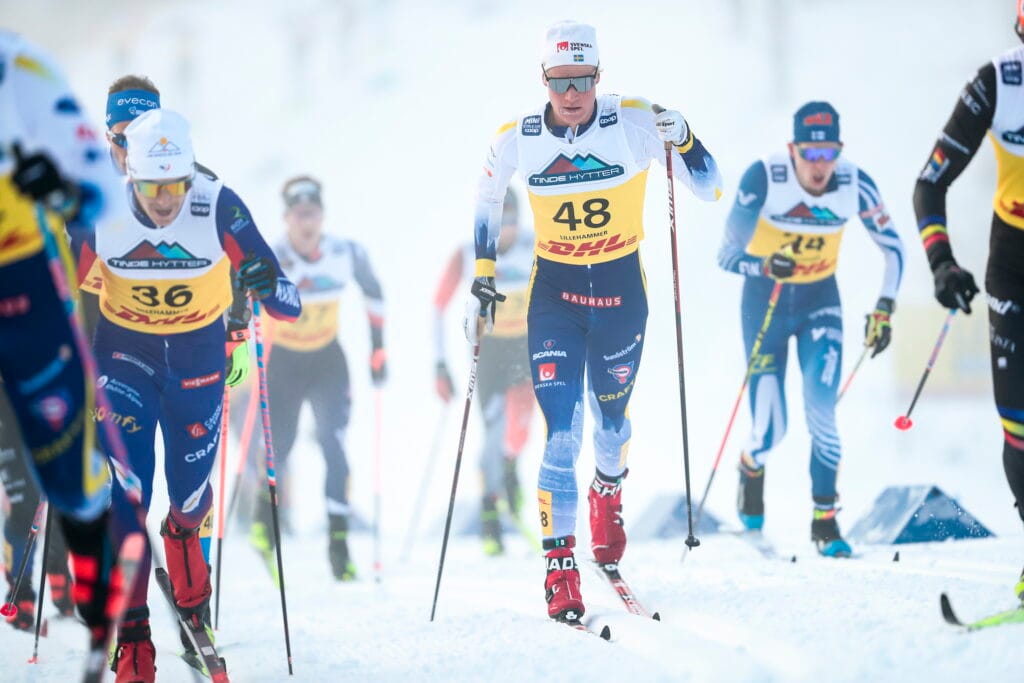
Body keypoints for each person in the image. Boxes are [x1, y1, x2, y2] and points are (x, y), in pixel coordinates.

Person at [465, 20, 722, 623]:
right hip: (552, 298)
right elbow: (486, 196)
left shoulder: (633, 121)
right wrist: (482, 274)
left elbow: (709, 187)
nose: (572, 93)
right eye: (560, 82)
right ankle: (560, 568)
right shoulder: (518, 138)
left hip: (619, 296)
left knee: (610, 428)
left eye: (583, 80)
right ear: (544, 80)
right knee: (562, 433)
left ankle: (607, 489)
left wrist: (685, 139)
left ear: (598, 77)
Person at [71, 108, 300, 682]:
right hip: (125, 358)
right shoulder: (100, 208)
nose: (166, 199)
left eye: (176, 185)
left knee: (191, 502)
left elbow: (288, 299)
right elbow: (51, 281)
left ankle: (186, 563)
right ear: (131, 178)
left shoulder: (218, 202)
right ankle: (135, 638)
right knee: (126, 500)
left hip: (199, 365)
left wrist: (262, 286)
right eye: (152, 187)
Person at [0, 28, 138, 664]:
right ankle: (27, 584)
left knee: (63, 473)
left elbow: (101, 194)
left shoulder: (19, 68)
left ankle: (89, 588)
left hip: (24, 290)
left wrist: (57, 191)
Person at [718, 101, 905, 557]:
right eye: (810, 154)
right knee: (770, 427)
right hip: (766, 302)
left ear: (838, 151)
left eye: (829, 154)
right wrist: (763, 264)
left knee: (821, 408)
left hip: (820, 302)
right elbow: (725, 255)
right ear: (792, 149)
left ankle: (825, 523)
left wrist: (883, 309)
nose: (820, 166)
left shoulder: (854, 183)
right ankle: (750, 468)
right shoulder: (763, 177)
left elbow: (894, 249)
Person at [912, 4, 1024, 599]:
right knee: (1019, 426)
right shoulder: (998, 82)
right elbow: (930, 181)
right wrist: (941, 261)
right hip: (1015, 260)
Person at [250, 175, 386, 582]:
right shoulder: (271, 255)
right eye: (298, 215)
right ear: (287, 218)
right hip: (283, 363)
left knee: (335, 443)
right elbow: (241, 301)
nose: (306, 223)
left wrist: (378, 348)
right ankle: (263, 521)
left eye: (312, 214)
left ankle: (339, 547)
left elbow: (374, 291)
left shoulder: (345, 252)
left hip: (328, 359)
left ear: (322, 216)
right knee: (281, 446)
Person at [434, 187, 534, 555]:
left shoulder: (534, 244)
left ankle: (510, 471)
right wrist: (439, 364)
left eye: (512, 221)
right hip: (489, 349)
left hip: (526, 346)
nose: (506, 230)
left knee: (518, 433)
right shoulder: (468, 252)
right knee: (492, 429)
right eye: (499, 222)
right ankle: (491, 514)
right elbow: (437, 305)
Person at [1, 386, 73, 631]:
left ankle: (59, 574)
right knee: (23, 506)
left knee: (61, 495)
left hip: (49, 384)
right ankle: (19, 591)